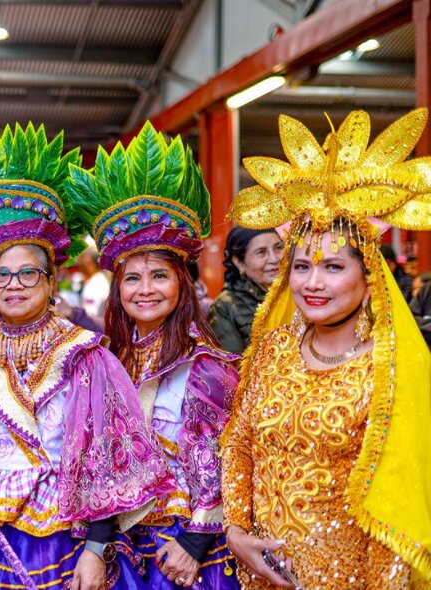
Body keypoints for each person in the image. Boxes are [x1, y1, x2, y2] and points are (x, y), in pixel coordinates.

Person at [0, 120, 174, 590]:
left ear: (50, 281)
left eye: (28, 274)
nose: (14, 286)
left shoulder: (86, 354)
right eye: (2, 275)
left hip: (70, 538)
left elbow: (108, 460)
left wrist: (96, 550)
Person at [221, 109, 431, 587]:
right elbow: (239, 440)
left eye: (333, 267)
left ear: (369, 273)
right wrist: (235, 531)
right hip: (259, 574)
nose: (312, 283)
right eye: (301, 267)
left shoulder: (394, 369)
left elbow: (399, 514)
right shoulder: (274, 347)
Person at [68, 121, 241, 589]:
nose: (145, 290)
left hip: (187, 549)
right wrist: (97, 546)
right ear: (116, 288)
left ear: (181, 284)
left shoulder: (206, 364)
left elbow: (222, 459)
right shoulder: (107, 360)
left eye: (159, 276)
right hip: (124, 548)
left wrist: (195, 540)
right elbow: (100, 461)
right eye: (132, 279)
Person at [207, 226, 284, 354]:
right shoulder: (224, 307)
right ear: (239, 262)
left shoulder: (296, 294)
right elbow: (232, 368)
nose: (274, 259)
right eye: (261, 252)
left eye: (278, 248)